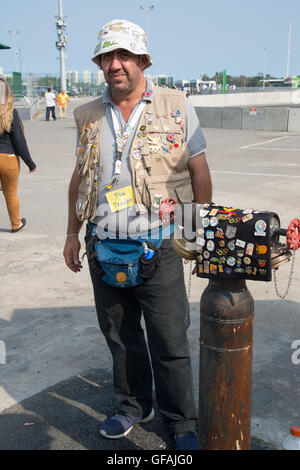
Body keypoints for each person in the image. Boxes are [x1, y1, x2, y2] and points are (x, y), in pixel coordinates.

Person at [63, 19, 212, 450]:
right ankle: (132, 405)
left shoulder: (177, 104)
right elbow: (79, 177)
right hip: (102, 244)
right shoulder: (87, 114)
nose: (115, 64)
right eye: (107, 57)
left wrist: (192, 233)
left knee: (169, 338)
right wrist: (73, 233)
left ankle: (181, 421)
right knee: (120, 335)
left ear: (142, 60)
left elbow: (199, 170)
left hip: (159, 244)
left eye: (124, 55)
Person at [0, 75, 37, 233]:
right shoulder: (11, 113)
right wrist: (30, 163)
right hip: (8, 159)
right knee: (10, 193)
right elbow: (19, 141)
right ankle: (16, 224)